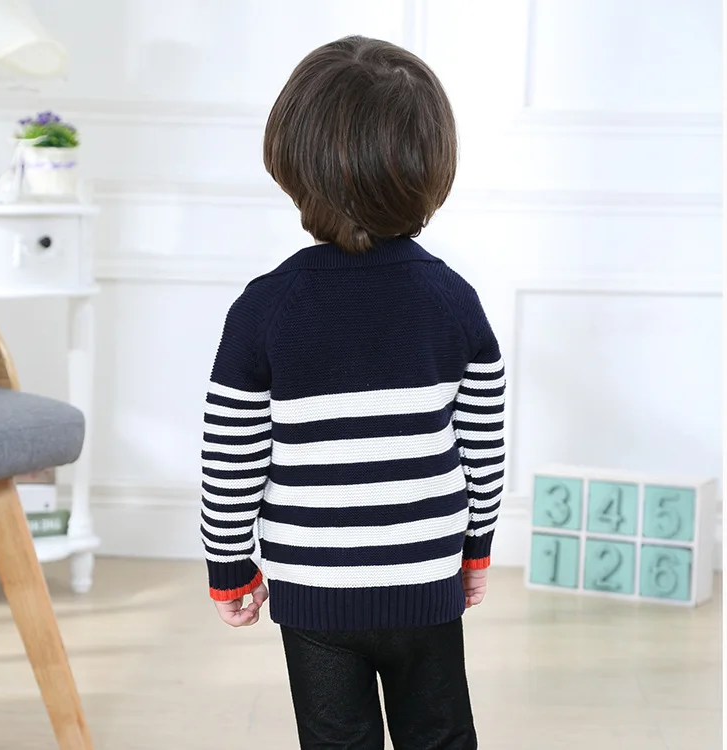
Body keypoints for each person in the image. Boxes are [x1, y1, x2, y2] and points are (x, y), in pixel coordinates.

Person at [200, 35, 505, 750]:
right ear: (434, 166)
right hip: (424, 574)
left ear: (290, 161)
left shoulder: (263, 309)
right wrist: (476, 548)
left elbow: (231, 459)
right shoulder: (454, 301)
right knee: (440, 736)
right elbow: (483, 449)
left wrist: (229, 566)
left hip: (315, 592)